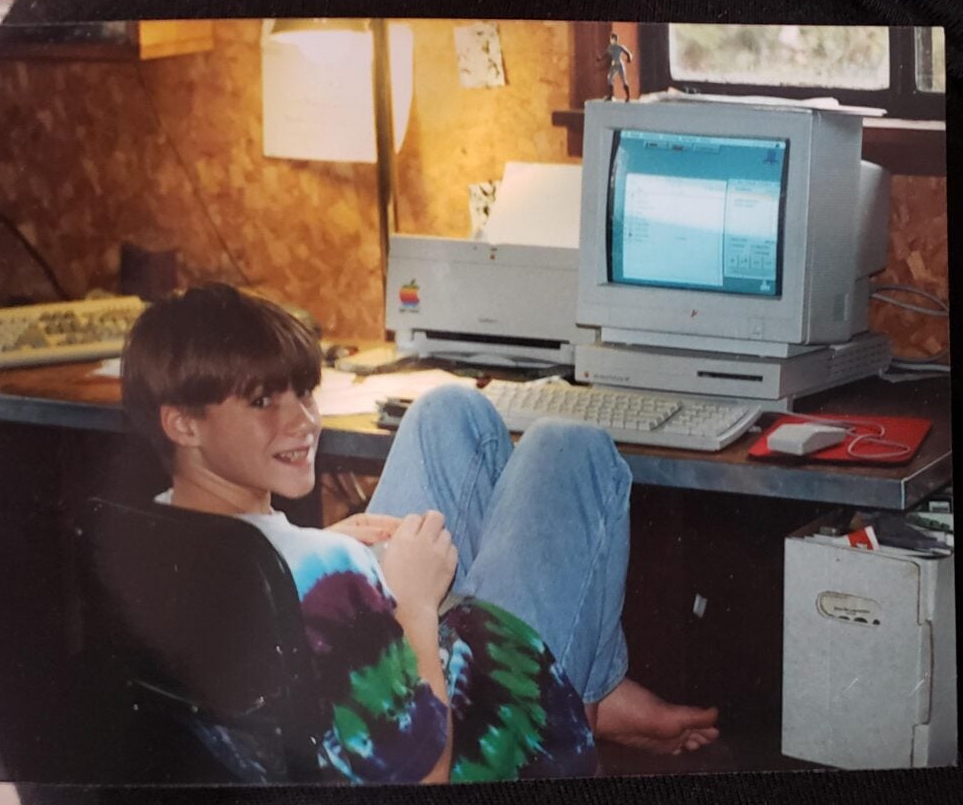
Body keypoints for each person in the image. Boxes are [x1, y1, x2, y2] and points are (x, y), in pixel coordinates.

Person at [120, 283, 718, 784]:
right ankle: (577, 704)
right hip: (473, 743)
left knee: (447, 414)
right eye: (262, 402)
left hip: (350, 692)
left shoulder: (148, 530)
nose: (302, 421)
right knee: (570, 449)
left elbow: (259, 623)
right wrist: (413, 604)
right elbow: (422, 776)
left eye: (303, 391)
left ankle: (594, 687)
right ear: (183, 423)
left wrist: (320, 550)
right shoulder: (319, 563)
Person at [600, 32, 633, 101]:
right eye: (611, 39)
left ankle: (628, 97)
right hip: (614, 64)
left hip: (620, 64)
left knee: (623, 79)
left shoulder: (619, 47)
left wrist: (629, 58)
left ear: (615, 39)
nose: (611, 40)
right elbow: (606, 54)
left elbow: (628, 53)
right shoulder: (610, 47)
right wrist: (600, 58)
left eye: (612, 39)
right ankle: (610, 95)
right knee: (610, 78)